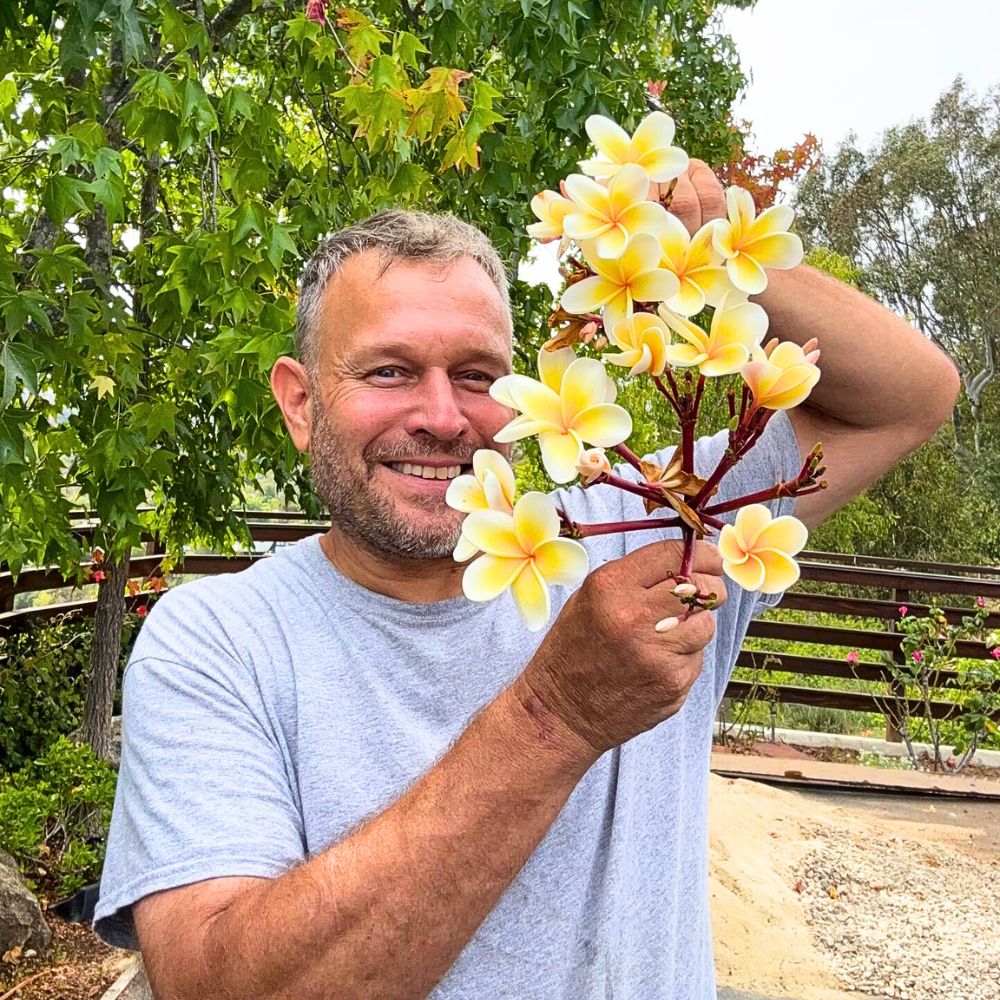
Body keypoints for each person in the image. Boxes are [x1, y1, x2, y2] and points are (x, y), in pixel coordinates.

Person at [93, 162, 959, 999]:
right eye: (388, 371)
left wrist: (722, 255)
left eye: (477, 376)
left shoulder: (650, 529)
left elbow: (911, 396)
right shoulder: (217, 641)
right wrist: (557, 716)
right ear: (300, 401)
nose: (441, 417)